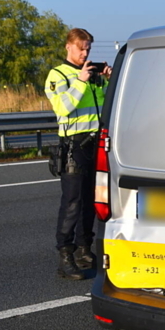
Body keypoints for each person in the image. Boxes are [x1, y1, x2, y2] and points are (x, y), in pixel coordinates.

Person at [45, 28, 110, 280]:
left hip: (96, 143)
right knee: (72, 201)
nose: (85, 53)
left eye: (88, 49)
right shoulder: (58, 75)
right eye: (81, 48)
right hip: (74, 145)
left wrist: (108, 81)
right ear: (68, 47)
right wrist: (81, 81)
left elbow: (104, 105)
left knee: (92, 200)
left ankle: (85, 249)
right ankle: (65, 255)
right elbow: (63, 108)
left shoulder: (90, 73)